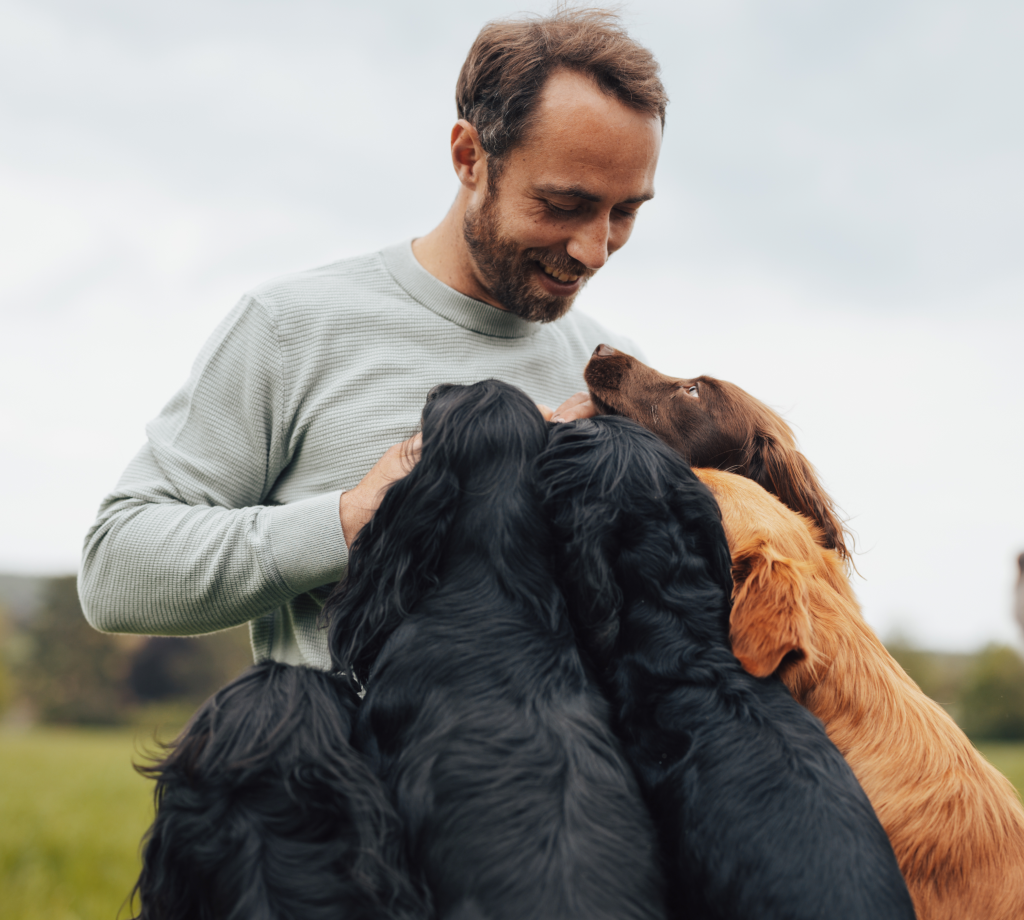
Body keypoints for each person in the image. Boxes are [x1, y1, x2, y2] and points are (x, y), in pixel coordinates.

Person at [79, 9, 667, 669]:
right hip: (337, 773)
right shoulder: (291, 326)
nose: (595, 250)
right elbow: (116, 571)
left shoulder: (611, 376)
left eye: (626, 212)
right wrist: (349, 520)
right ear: (470, 156)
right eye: (563, 204)